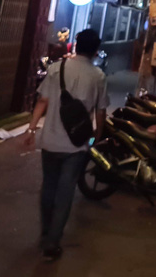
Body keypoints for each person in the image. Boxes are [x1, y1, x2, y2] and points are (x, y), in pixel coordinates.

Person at [26, 28, 109, 261]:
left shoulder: (56, 69)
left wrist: (31, 129)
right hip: (76, 144)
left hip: (50, 141)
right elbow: (101, 112)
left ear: (76, 45)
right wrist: (96, 137)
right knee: (65, 192)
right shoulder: (98, 76)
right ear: (95, 51)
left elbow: (42, 101)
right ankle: (53, 242)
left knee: (49, 187)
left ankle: (45, 234)